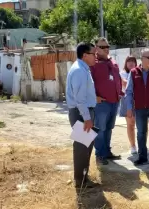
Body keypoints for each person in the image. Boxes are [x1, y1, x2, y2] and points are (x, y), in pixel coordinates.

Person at [65, 42, 97, 188]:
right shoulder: (79, 71)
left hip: (83, 112)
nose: (96, 57)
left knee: (86, 146)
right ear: (85, 55)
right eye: (93, 54)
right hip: (80, 113)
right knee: (81, 148)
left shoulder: (83, 69)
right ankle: (81, 181)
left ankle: (83, 178)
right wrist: (87, 118)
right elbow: (80, 99)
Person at [90, 37, 122, 165]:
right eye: (103, 47)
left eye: (107, 46)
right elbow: (88, 83)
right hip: (101, 103)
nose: (106, 49)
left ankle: (107, 152)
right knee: (99, 129)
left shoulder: (112, 62)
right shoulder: (93, 64)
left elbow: (117, 79)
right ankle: (99, 155)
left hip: (114, 102)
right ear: (96, 48)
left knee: (109, 128)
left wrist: (120, 92)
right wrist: (94, 97)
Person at [119, 56, 138, 154]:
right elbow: (125, 84)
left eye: (133, 61)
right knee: (130, 124)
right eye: (129, 61)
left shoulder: (139, 73)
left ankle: (143, 145)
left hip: (139, 100)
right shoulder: (122, 73)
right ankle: (133, 145)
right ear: (126, 63)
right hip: (126, 100)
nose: (131, 63)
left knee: (143, 124)